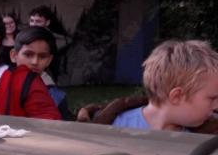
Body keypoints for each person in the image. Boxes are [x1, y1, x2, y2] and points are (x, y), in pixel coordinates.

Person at [80, 40, 218, 131]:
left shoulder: (206, 137)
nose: (216, 106)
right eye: (212, 98)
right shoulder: (113, 127)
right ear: (177, 96)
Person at [9, 27, 73, 119]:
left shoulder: (56, 97)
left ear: (49, 60)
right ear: (14, 55)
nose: (35, 62)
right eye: (28, 54)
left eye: (42, 56)